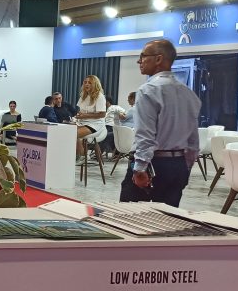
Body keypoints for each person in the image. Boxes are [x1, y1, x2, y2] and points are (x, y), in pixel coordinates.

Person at [120, 38, 201, 206]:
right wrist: (185, 167)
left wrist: (140, 168)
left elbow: (145, 134)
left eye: (143, 56)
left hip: (152, 165)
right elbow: (193, 139)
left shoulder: (148, 90)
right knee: (167, 217)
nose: (139, 61)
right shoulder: (189, 94)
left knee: (130, 215)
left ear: (158, 59)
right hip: (178, 165)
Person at [75, 75, 108, 158]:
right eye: (85, 82)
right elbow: (80, 110)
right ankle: (77, 155)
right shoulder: (83, 95)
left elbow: (102, 114)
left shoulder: (100, 96)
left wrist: (85, 115)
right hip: (83, 122)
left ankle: (82, 156)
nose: (86, 84)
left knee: (73, 133)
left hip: (95, 124)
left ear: (95, 84)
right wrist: (79, 115)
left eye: (89, 83)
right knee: (66, 130)